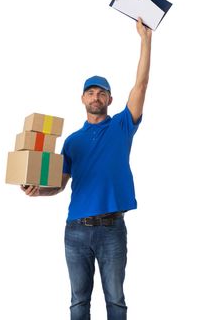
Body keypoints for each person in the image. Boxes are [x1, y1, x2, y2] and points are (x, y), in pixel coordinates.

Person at [21, 18, 152, 320]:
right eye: (90, 92)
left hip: (112, 230)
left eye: (101, 92)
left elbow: (141, 85)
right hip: (75, 231)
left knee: (116, 300)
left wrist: (145, 40)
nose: (96, 96)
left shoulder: (122, 126)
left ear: (110, 99)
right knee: (78, 302)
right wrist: (38, 191)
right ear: (82, 99)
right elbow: (60, 184)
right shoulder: (72, 141)